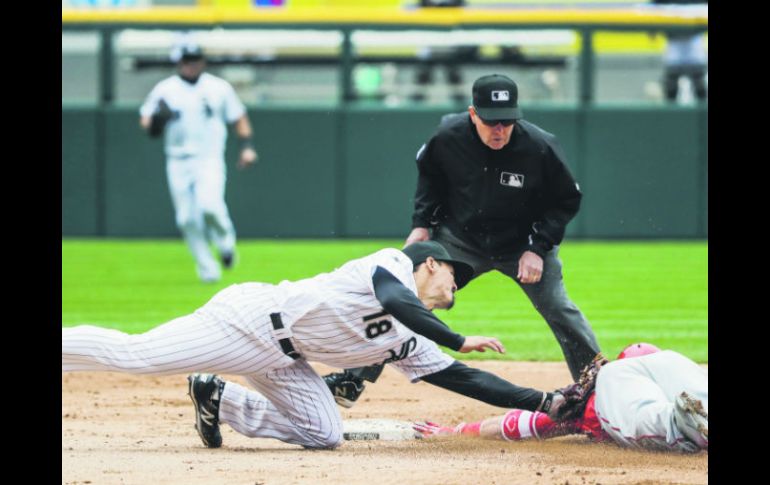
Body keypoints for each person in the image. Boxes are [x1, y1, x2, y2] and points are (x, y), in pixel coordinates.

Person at [62, 241, 571, 450]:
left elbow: (462, 377)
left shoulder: (412, 335)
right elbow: (397, 300)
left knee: (325, 433)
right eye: (454, 279)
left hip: (284, 358)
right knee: (138, 355)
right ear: (431, 264)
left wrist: (544, 401)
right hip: (249, 322)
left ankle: (220, 397)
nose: (455, 290)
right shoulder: (392, 264)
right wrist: (459, 337)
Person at [324, 73, 600, 407]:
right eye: (491, 122)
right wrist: (422, 224)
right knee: (406, 297)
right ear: (473, 114)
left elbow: (566, 201)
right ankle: (353, 379)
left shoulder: (539, 147)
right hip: (461, 240)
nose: (499, 130)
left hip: (523, 244)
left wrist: (538, 248)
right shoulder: (448, 136)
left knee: (560, 308)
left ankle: (595, 393)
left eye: (507, 122)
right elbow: (429, 176)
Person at [413, 343, 708, 453]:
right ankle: (690, 415)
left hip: (625, 385)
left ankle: (681, 421)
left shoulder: (598, 397)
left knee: (647, 416)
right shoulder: (663, 368)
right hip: (673, 368)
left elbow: (518, 425)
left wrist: (457, 430)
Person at [139, 36, 258, 283]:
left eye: (194, 60)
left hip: (208, 157)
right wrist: (157, 120)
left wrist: (246, 147)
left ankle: (225, 243)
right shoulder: (165, 89)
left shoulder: (218, 87)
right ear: (178, 62)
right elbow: (146, 121)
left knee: (210, 205)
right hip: (177, 159)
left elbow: (239, 117)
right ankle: (207, 269)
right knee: (186, 218)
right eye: (186, 60)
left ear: (202, 62)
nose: (190, 65)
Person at [652, 0, 708, 103]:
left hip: (694, 43)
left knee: (699, 85)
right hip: (674, 44)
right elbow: (652, 8)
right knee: (671, 85)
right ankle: (671, 116)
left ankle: (703, 117)